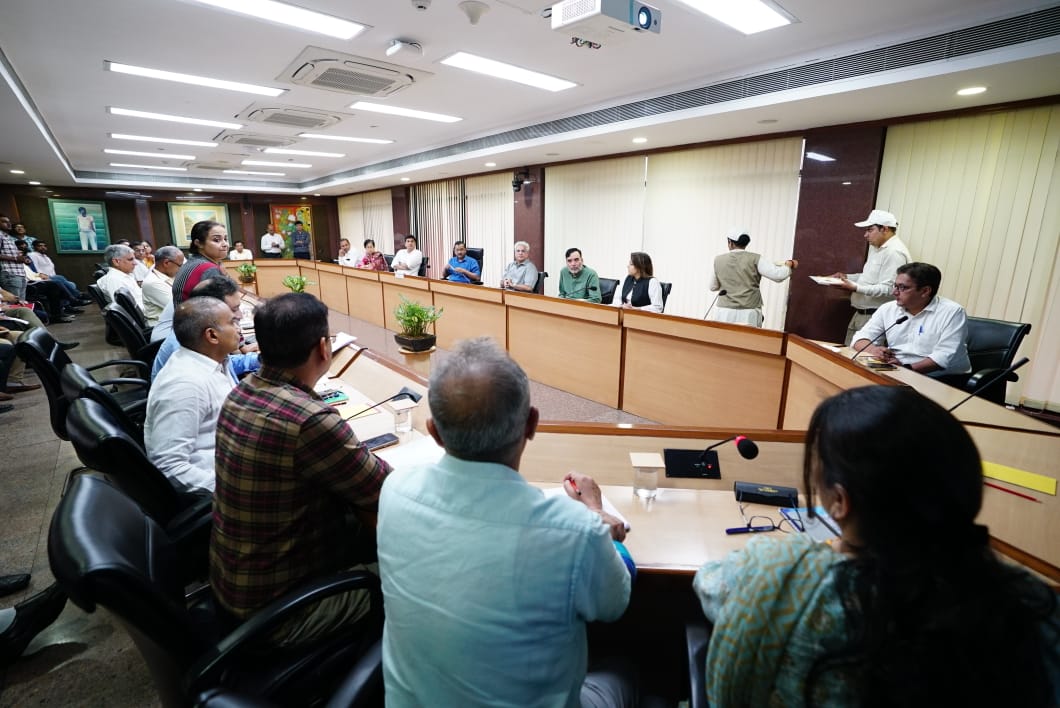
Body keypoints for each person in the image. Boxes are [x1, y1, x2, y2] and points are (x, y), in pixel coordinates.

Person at [694, 385, 1060, 707]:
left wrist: (838, 548)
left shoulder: (784, 573)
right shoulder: (1033, 603)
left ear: (840, 501)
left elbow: (709, 583)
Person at [378, 337, 636, 707]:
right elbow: (616, 601)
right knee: (623, 671)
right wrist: (600, 521)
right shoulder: (575, 532)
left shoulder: (395, 490)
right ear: (532, 424)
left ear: (433, 432)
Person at [210, 293, 392, 645]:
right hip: (279, 613)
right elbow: (385, 490)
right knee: (414, 586)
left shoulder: (242, 391)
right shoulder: (308, 421)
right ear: (324, 348)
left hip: (237, 584)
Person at [145, 297, 240, 492]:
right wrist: (233, 492)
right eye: (232, 321)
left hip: (232, 457)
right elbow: (169, 466)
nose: (239, 325)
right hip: (221, 483)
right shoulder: (186, 385)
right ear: (212, 336)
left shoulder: (211, 361)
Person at [851, 262, 970, 377]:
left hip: (940, 376)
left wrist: (906, 369)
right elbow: (859, 339)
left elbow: (943, 356)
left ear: (925, 291)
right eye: (895, 286)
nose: (894, 292)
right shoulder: (888, 308)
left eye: (902, 287)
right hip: (897, 369)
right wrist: (873, 350)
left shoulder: (952, 312)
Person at [828, 209, 911, 345]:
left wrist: (855, 287)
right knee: (847, 356)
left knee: (861, 358)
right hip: (861, 313)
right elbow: (869, 277)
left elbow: (890, 288)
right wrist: (846, 277)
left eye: (870, 230)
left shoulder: (894, 252)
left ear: (884, 229)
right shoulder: (877, 248)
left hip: (874, 315)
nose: (866, 235)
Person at [152, 275, 258, 381]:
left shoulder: (198, 333)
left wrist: (260, 360)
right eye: (234, 310)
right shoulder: (189, 365)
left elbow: (228, 363)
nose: (240, 316)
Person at [709, 231, 797, 328]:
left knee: (723, 341)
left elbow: (713, 287)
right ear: (746, 244)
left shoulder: (718, 260)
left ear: (730, 242)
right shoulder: (756, 259)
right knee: (748, 342)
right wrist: (788, 265)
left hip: (724, 313)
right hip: (748, 313)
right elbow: (778, 276)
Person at [27, 241, 90, 306]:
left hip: (51, 277)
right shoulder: (33, 255)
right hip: (41, 278)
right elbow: (35, 269)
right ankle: (78, 296)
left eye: (44, 246)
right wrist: (42, 275)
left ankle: (73, 301)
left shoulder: (45, 256)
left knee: (69, 283)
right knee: (59, 278)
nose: (43, 247)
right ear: (34, 247)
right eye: (40, 246)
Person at [141, 245, 184, 328]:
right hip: (163, 326)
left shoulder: (166, 274)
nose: (181, 269)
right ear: (166, 263)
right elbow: (179, 307)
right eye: (180, 265)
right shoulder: (153, 282)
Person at [95, 243, 143, 309]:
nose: (135, 263)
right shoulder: (114, 280)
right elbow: (128, 308)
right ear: (116, 262)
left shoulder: (125, 275)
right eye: (130, 259)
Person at [0, 215, 27, 301]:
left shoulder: (9, 238)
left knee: (22, 304)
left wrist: (22, 258)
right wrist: (15, 258)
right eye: (4, 222)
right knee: (15, 306)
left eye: (9, 222)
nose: (8, 224)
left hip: (20, 273)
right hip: (10, 274)